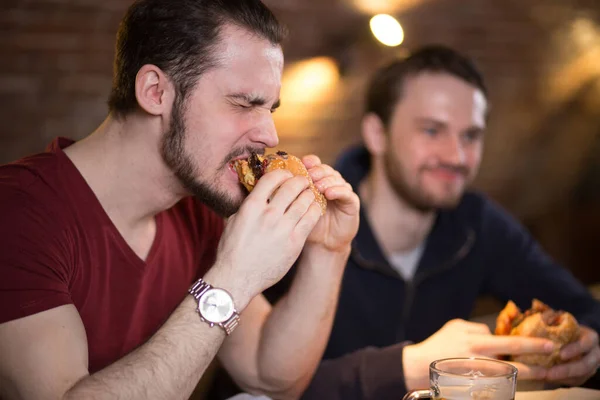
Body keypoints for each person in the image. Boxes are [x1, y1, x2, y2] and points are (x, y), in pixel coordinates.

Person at [0, 1, 360, 399]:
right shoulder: (16, 212)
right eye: (243, 103)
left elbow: (268, 375)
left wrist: (329, 249)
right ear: (155, 92)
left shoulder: (197, 210)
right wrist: (233, 279)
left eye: (269, 109)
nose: (270, 136)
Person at [256, 45, 600, 400]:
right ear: (377, 134)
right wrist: (404, 367)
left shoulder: (478, 222)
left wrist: (590, 343)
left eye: (471, 135)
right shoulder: (298, 216)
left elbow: (585, 310)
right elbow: (253, 388)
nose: (457, 156)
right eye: (433, 131)